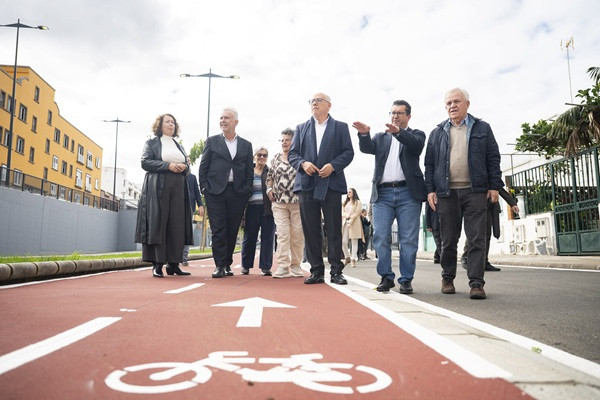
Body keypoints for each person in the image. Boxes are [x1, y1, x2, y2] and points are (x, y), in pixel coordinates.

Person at [424, 88, 503, 300]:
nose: (453, 106)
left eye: (457, 101)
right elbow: (429, 164)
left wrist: (494, 186)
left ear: (467, 104)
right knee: (448, 240)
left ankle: (476, 284)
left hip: (475, 191)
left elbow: (493, 158)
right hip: (446, 193)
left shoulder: (483, 128)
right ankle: (447, 278)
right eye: (449, 103)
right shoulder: (437, 132)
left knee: (477, 239)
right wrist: (430, 190)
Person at [354, 100, 427, 294]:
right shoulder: (381, 137)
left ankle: (406, 280)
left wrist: (399, 133)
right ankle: (386, 277)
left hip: (408, 193)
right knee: (380, 237)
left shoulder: (417, 135)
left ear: (408, 116)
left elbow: (416, 146)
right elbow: (367, 148)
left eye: (399, 113)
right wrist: (364, 134)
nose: (395, 116)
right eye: (392, 113)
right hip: (383, 194)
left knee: (408, 239)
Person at [288, 92, 354, 285]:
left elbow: (348, 152)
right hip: (307, 184)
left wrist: (333, 165)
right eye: (312, 101)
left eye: (318, 101)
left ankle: (336, 271)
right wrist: (303, 163)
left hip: (331, 184)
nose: (314, 104)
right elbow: (292, 154)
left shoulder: (340, 127)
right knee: (311, 230)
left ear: (329, 105)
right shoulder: (301, 128)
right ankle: (316, 271)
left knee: (334, 229)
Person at [135, 113, 194, 278]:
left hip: (179, 187)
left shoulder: (179, 145)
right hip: (158, 186)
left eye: (173, 122)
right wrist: (167, 166)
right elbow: (145, 162)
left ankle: (174, 264)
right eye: (167, 122)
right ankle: (157, 264)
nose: (171, 124)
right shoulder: (151, 143)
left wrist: (185, 167)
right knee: (159, 223)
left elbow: (188, 165)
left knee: (177, 224)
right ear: (160, 125)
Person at [198, 108, 253, 278]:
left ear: (236, 122)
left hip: (238, 193)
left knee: (232, 229)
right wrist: (204, 188)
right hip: (215, 192)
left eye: (227, 118)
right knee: (218, 229)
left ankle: (227, 263)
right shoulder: (212, 141)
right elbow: (203, 166)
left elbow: (249, 171)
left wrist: (247, 189)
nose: (223, 120)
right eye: (221, 118)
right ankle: (219, 265)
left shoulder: (246, 145)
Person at [267, 128, 305, 279]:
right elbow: (270, 177)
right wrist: (269, 189)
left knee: (297, 235)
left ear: (294, 141)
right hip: (279, 202)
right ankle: (282, 266)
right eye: (282, 140)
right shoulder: (276, 158)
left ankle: (296, 265)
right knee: (282, 234)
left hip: (297, 202)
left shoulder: (301, 157)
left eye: (287, 140)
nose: (284, 143)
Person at [460, 187, 520, 271]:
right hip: (475, 206)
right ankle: (466, 257)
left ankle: (484, 261)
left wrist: (512, 203)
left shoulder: (491, 179)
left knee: (487, 234)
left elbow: (499, 188)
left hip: (489, 206)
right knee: (475, 232)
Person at [240, 147, 275, 276]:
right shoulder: (248, 171)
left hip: (267, 209)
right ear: (254, 156)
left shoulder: (270, 172)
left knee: (267, 238)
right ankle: (246, 266)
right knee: (249, 238)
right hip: (250, 208)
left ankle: (266, 267)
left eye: (265, 155)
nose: (262, 157)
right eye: (259, 155)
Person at [182, 171, 204, 267]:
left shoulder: (192, 177)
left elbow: (196, 192)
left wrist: (200, 205)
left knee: (187, 232)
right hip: (176, 207)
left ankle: (184, 257)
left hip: (189, 208)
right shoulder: (175, 175)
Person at [341, 188, 363, 268]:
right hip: (345, 222)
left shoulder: (358, 202)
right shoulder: (345, 203)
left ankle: (353, 259)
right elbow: (342, 212)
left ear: (353, 192)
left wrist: (351, 219)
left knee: (354, 241)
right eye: (347, 192)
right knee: (343, 241)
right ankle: (347, 257)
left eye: (350, 192)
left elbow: (358, 212)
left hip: (355, 223)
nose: (348, 193)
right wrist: (348, 216)